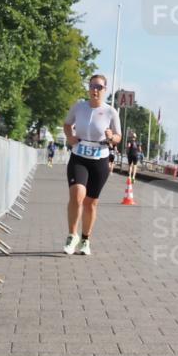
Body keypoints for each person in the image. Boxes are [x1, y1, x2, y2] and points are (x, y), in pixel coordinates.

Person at [62, 74, 121, 255]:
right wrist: (70, 137)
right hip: (79, 156)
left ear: (105, 90)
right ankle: (72, 235)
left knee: (91, 203)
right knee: (77, 195)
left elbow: (118, 137)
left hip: (100, 159)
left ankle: (85, 240)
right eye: (92, 86)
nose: (95, 90)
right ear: (88, 88)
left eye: (99, 87)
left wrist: (111, 137)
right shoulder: (79, 107)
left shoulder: (111, 112)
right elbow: (67, 124)